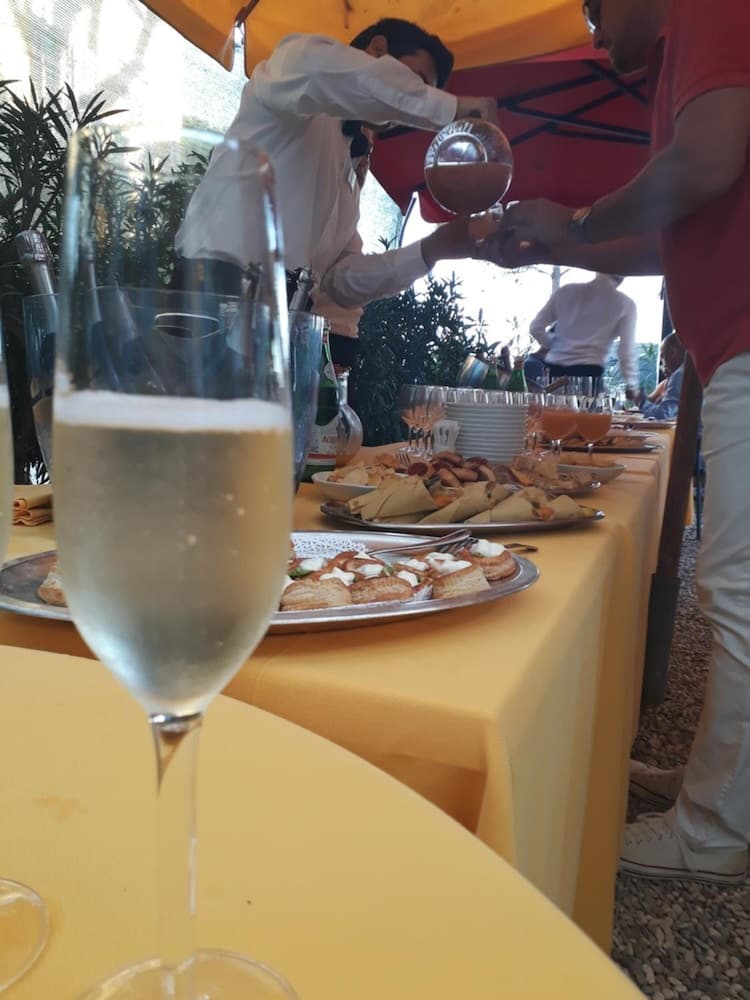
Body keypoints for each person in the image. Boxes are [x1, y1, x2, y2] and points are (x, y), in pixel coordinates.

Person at [489, 0, 750, 885]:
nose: (597, 37)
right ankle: (722, 785)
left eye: (597, 10)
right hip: (729, 343)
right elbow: (675, 233)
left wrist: (578, 223)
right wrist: (564, 238)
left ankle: (713, 831)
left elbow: (706, 160)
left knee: (736, 587)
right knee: (735, 582)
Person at [176, 20, 497, 318]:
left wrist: (432, 249)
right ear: (378, 50)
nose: (415, 103)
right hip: (211, 294)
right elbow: (314, 69)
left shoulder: (349, 165)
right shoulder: (296, 74)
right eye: (418, 84)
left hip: (282, 319)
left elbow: (340, 280)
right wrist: (451, 108)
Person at [528, 273, 638, 391]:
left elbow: (535, 328)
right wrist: (631, 385)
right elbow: (626, 351)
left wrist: (556, 345)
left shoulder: (565, 291)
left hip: (554, 373)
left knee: (553, 403)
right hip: (589, 374)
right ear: (623, 275)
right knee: (588, 404)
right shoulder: (625, 304)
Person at [639, 332, 685, 419]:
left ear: (672, 352)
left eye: (662, 356)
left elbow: (663, 414)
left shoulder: (680, 375)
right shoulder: (693, 373)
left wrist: (641, 401)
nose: (662, 364)